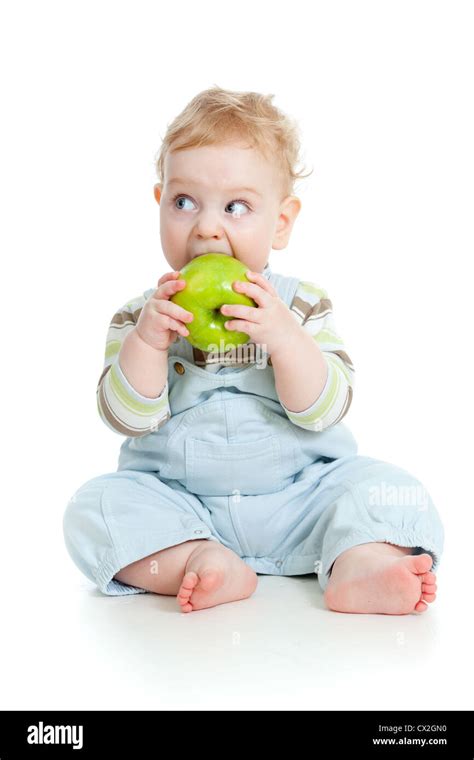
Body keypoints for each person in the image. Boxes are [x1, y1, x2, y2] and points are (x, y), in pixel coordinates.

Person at [63, 86, 443, 614]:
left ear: (281, 222)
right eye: (183, 202)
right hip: (185, 505)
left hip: (303, 499)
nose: (207, 228)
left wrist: (285, 338)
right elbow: (126, 418)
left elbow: (326, 409)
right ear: (160, 203)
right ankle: (197, 560)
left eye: (236, 206)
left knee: (393, 490)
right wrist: (148, 345)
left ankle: (359, 564)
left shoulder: (302, 306)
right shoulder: (141, 317)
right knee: (94, 507)